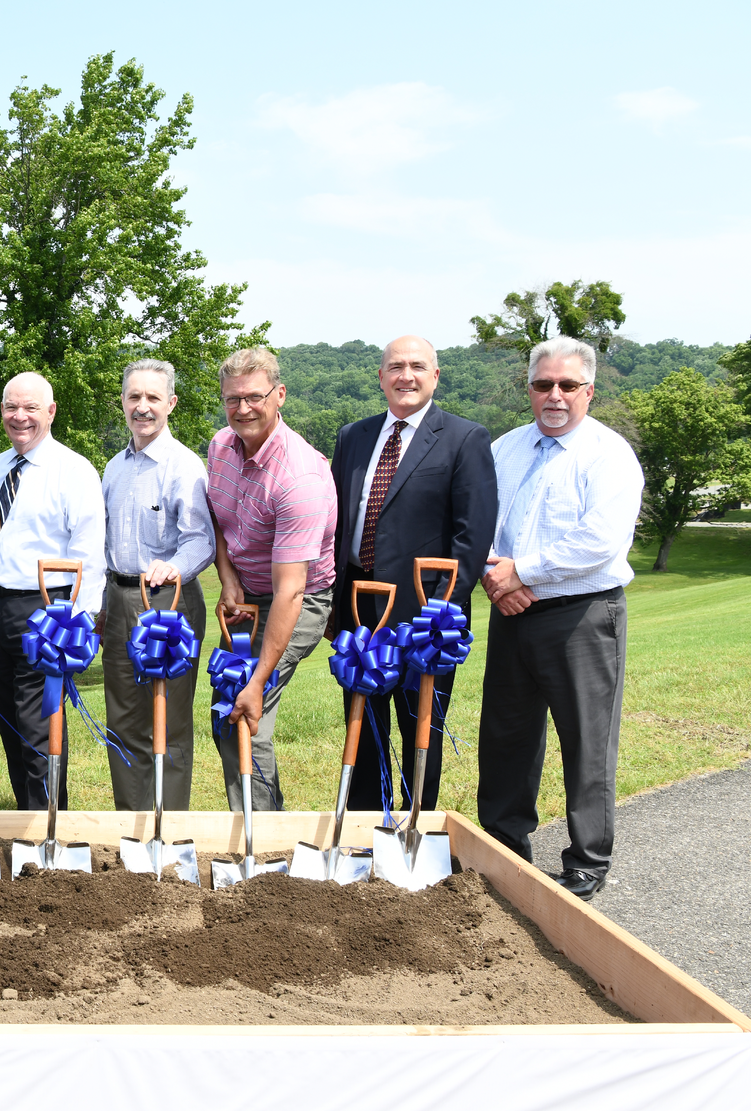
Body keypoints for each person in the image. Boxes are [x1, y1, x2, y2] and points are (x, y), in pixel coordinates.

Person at [477, 336, 643, 900]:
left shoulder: (609, 455)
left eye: (567, 386)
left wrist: (523, 571)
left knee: (587, 742)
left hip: (583, 616)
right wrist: (495, 576)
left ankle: (587, 863)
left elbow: (600, 539)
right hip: (511, 609)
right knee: (505, 737)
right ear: (529, 388)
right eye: (543, 384)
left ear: (588, 391)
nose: (554, 395)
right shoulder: (505, 449)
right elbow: (479, 522)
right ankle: (503, 850)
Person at [329, 335, 496, 812]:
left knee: (420, 726)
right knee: (362, 726)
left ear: (435, 376)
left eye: (418, 366)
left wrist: (439, 613)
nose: (406, 375)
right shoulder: (353, 437)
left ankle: (415, 826)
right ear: (380, 377)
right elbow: (339, 522)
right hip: (362, 608)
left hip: (425, 614)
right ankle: (363, 829)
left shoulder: (465, 438)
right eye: (395, 366)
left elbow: (473, 536)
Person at [204, 346, 336, 811]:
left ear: (279, 395)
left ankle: (262, 845)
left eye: (254, 397)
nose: (243, 409)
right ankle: (264, 823)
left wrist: (258, 681)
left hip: (297, 599)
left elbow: (291, 591)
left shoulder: (299, 477)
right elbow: (218, 520)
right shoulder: (220, 446)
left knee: (244, 709)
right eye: (232, 399)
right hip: (246, 596)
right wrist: (227, 576)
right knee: (227, 710)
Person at [0, 372, 106, 811]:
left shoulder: (75, 470)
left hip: (44, 613)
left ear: (51, 411)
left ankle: (49, 830)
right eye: (11, 407)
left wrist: (77, 625)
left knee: (37, 726)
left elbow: (88, 553)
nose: (19, 416)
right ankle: (24, 824)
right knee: (9, 725)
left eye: (30, 407)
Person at [100, 360, 215, 812]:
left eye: (152, 398)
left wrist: (173, 568)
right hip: (119, 597)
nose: (142, 407)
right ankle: (131, 827)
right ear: (123, 403)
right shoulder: (113, 468)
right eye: (134, 397)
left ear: (171, 403)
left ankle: (168, 830)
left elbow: (201, 538)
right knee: (124, 719)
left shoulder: (184, 466)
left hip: (169, 604)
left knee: (168, 721)